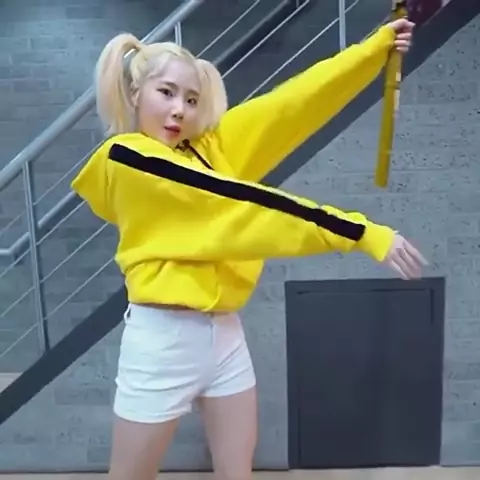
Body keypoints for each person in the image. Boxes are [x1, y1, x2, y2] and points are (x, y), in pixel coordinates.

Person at [71, 16, 424, 480]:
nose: (179, 110)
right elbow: (240, 205)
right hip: (162, 340)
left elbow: (291, 105)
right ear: (135, 94)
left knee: (238, 472)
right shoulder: (127, 158)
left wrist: (373, 50)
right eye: (166, 93)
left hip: (225, 335)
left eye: (191, 99)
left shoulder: (206, 148)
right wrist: (359, 232)